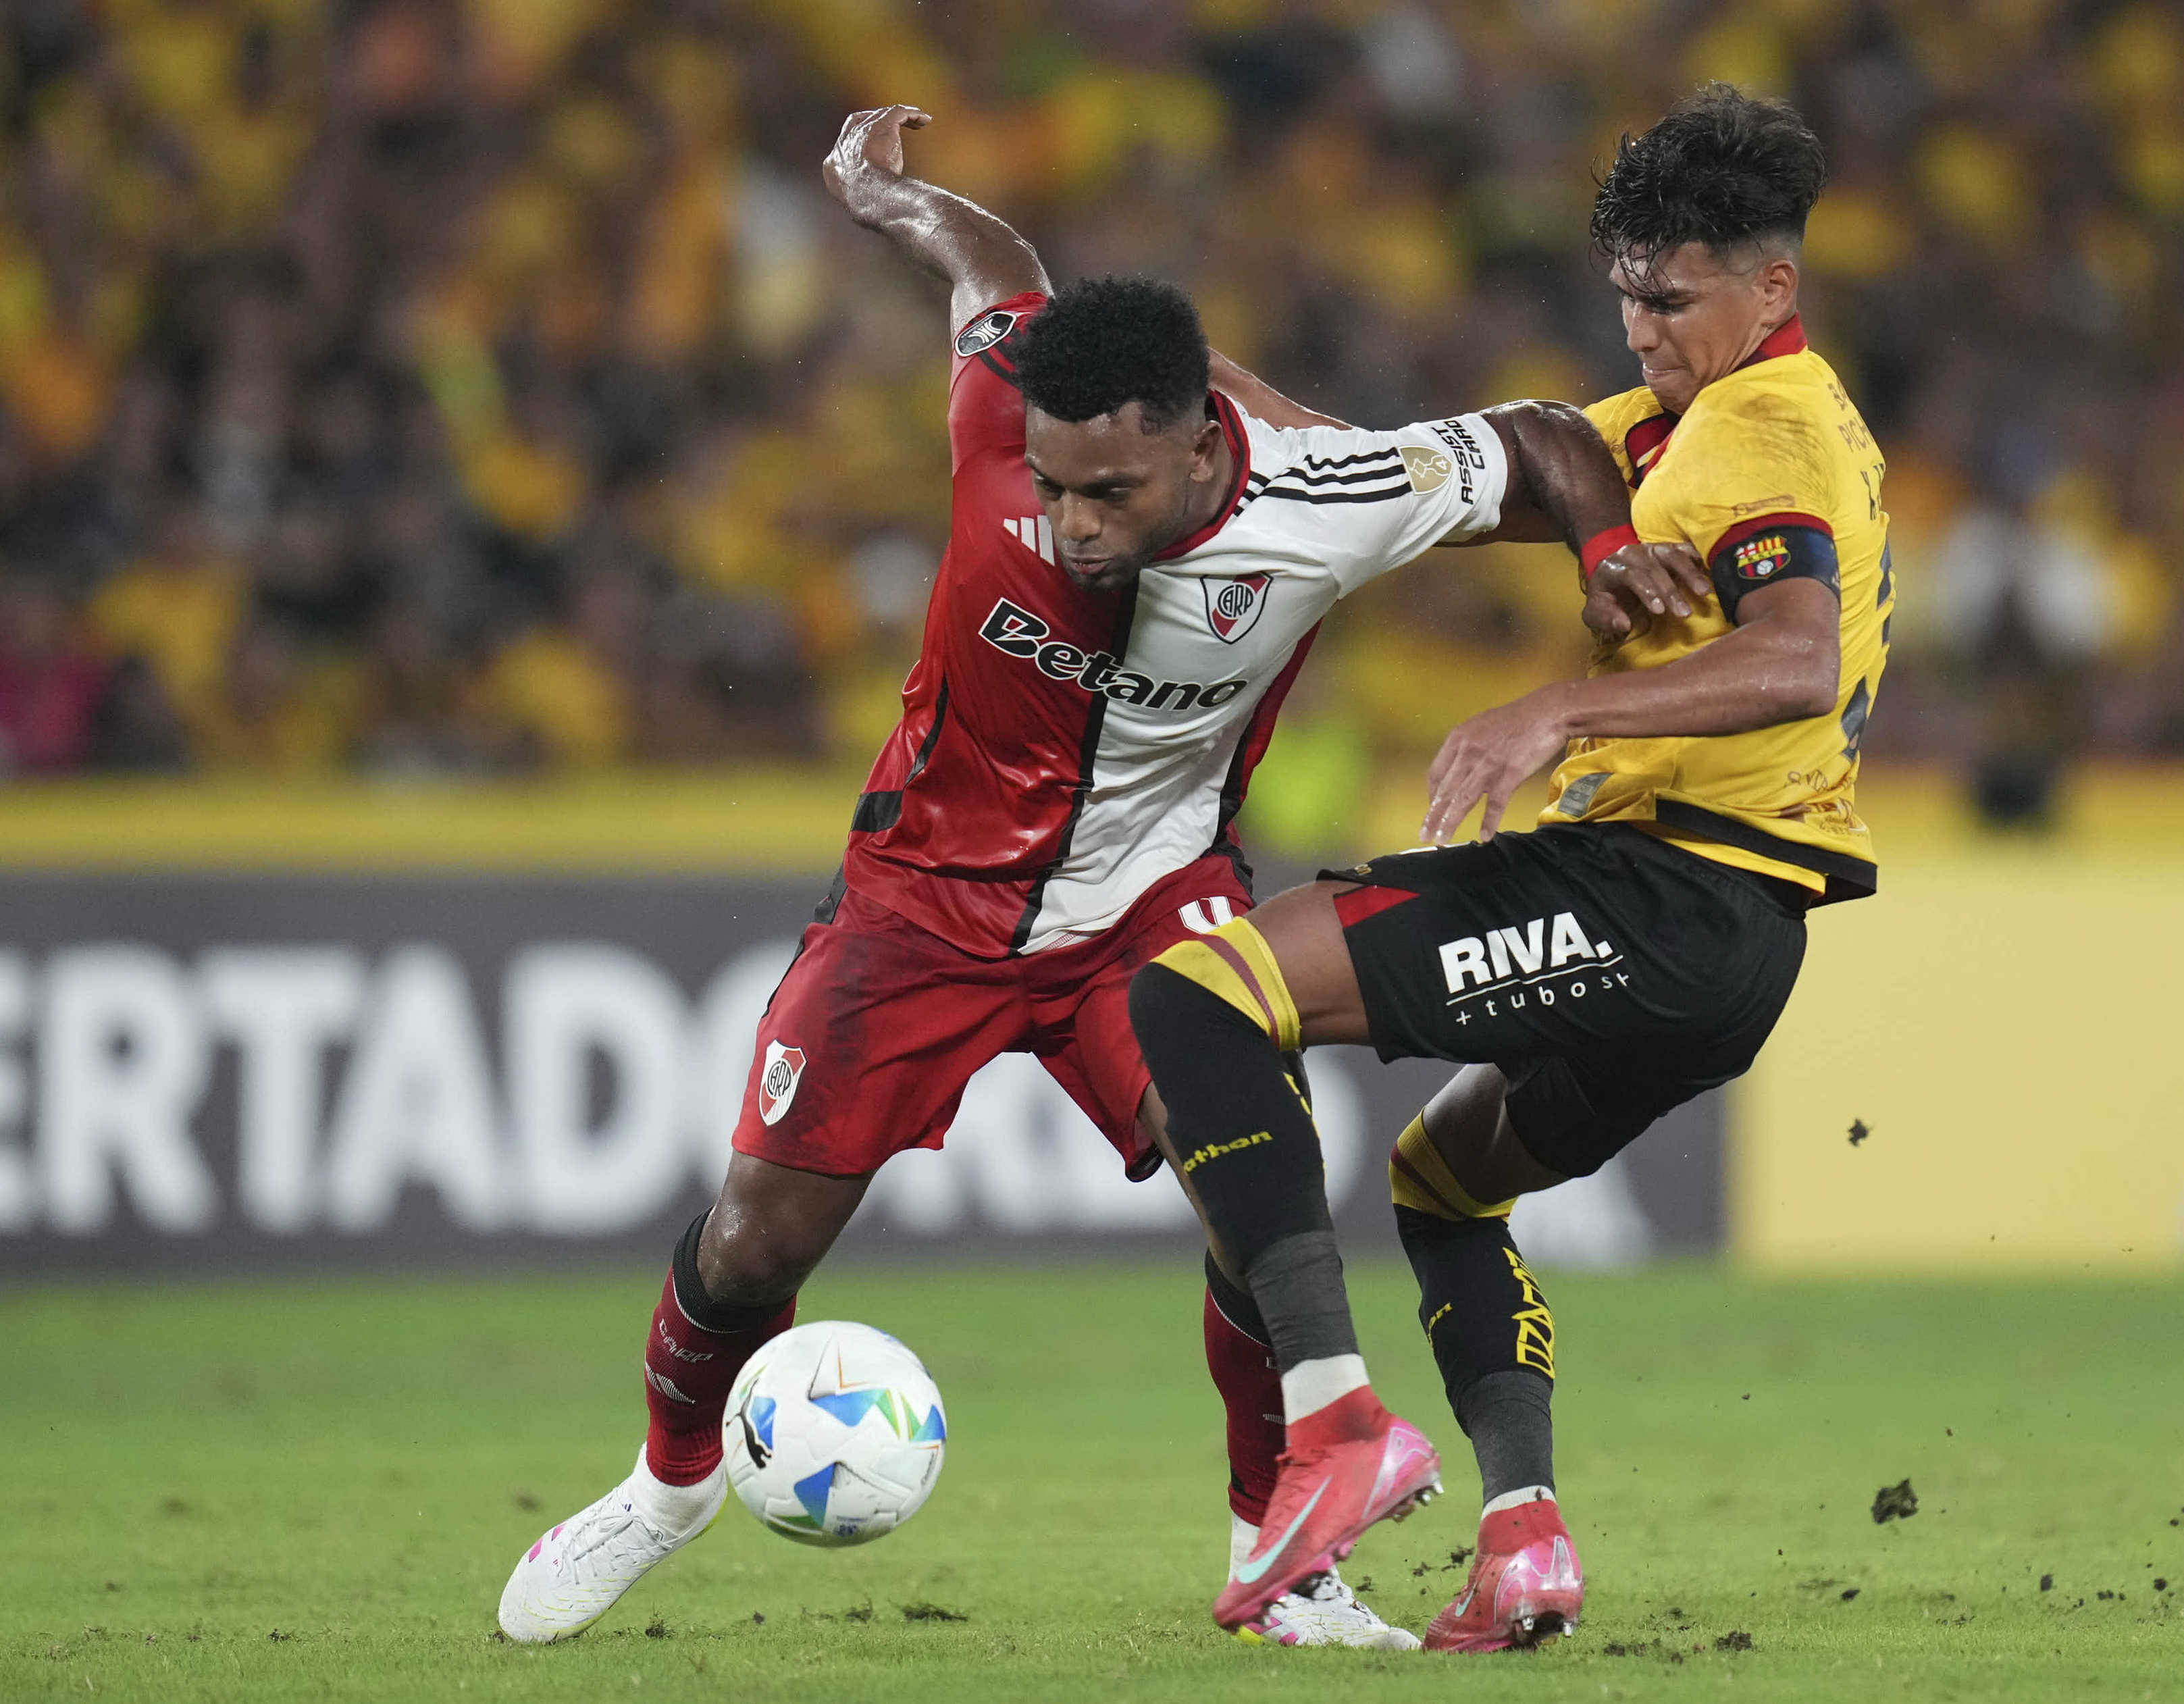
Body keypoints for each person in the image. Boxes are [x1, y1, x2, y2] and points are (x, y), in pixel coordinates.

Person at [495, 103, 1671, 1650]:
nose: (1069, 523)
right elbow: (993, 259)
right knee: (755, 1239)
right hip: (920, 901)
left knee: (1248, 1170)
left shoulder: (1324, 495)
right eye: (1050, 486)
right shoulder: (1003, 399)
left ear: (1200, 448)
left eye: (1110, 494)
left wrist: (1600, 558)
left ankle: (1280, 1559)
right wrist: (883, 195)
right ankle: (667, 1483)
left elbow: (1545, 443)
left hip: (1153, 904)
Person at [1126, 83, 1893, 1650]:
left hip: (1673, 889)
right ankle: (1522, 1537)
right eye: (1624, 294)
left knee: (1204, 998)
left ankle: (1335, 1425)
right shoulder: (1668, 428)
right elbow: (1364, 462)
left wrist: (1563, 706)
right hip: (1716, 944)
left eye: (1671, 300)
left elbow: (1798, 656)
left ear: (1773, 291)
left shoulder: (1771, 426)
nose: (1640, 328)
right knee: (1444, 1179)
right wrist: (1181, 370)